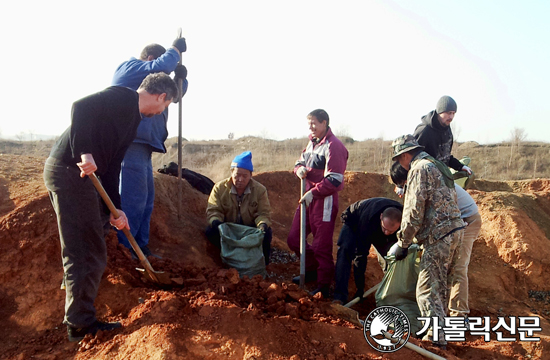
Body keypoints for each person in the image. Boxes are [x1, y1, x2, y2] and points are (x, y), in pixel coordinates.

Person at [44, 73, 178, 342]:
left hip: (83, 177)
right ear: (161, 96)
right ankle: (80, 323)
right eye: (166, 106)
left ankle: (76, 284)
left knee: (100, 227)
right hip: (71, 173)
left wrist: (117, 210)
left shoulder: (132, 122)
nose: (163, 111)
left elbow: (113, 167)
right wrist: (85, 153)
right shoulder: (122, 97)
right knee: (87, 249)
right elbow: (79, 107)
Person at [112, 36, 188, 258]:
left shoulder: (153, 78)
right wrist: (175, 50)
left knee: (145, 201)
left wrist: (181, 80)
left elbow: (173, 97)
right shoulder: (130, 68)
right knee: (132, 200)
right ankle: (126, 250)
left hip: (145, 147)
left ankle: (140, 246)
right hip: (130, 143)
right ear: (151, 58)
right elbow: (161, 67)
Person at [390, 134, 465, 349]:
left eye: (398, 159)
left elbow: (414, 211)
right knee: (441, 287)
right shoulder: (437, 164)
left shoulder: (418, 169)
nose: (400, 164)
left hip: (438, 235)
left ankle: (435, 340)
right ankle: (442, 336)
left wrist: (403, 243)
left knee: (426, 290)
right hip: (455, 231)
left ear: (405, 155)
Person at [390, 161, 482, 318]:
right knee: (440, 269)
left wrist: (403, 243)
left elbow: (417, 216)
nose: (401, 189)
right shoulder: (421, 181)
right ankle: (441, 314)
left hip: (466, 220)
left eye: (402, 184)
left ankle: (459, 316)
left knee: (458, 268)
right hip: (452, 222)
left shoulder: (426, 182)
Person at [287, 109, 349, 298]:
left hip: (324, 201)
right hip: (307, 198)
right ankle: (313, 269)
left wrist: (314, 192)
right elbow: (299, 162)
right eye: (309, 124)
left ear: (324, 123)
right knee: (294, 239)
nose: (311, 127)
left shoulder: (333, 146)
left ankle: (323, 285)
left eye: (314, 123)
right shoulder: (312, 143)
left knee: (322, 245)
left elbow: (335, 179)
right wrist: (299, 169)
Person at [205, 151, 273, 264]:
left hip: (249, 229)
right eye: (237, 175)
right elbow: (213, 210)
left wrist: (262, 226)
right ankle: (224, 260)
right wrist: (216, 222)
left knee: (267, 233)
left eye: (245, 176)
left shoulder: (260, 190)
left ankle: (262, 264)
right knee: (210, 231)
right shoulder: (219, 188)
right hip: (228, 229)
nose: (240, 179)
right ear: (231, 173)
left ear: (251, 175)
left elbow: (263, 213)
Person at [333, 198, 403, 304]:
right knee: (345, 251)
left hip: (379, 226)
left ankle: (392, 297)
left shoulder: (406, 221)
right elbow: (360, 255)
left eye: (390, 231)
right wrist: (360, 289)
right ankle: (340, 296)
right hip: (355, 220)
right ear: (381, 217)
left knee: (391, 260)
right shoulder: (367, 221)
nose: (387, 233)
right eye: (385, 229)